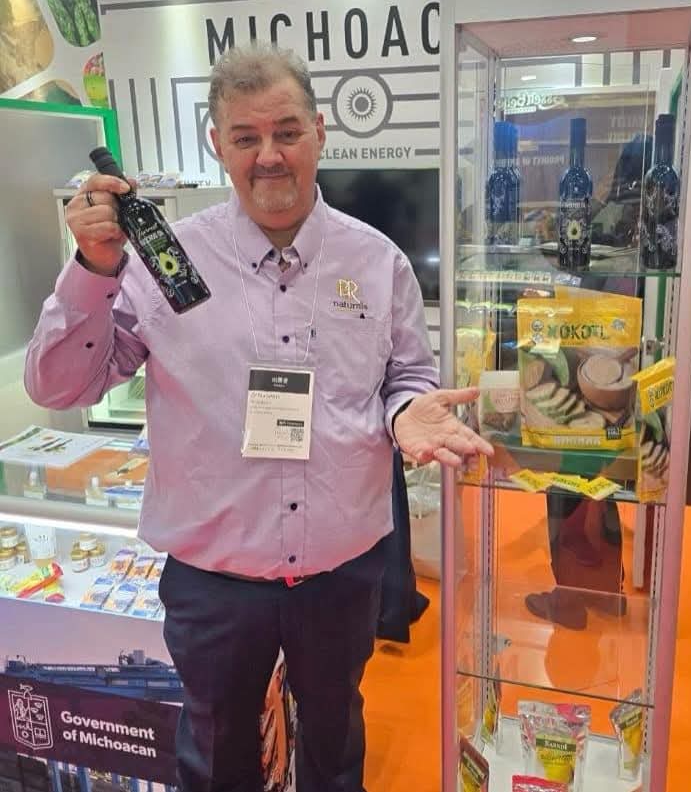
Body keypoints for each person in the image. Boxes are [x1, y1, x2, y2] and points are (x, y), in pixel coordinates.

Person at [25, 45, 493, 792]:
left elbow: (406, 375)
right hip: (214, 578)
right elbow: (59, 386)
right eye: (246, 137)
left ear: (320, 131)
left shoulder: (378, 262)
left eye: (286, 131)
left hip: (341, 569)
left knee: (335, 739)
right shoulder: (164, 261)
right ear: (218, 145)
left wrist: (407, 411)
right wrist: (92, 270)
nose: (268, 155)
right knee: (217, 753)